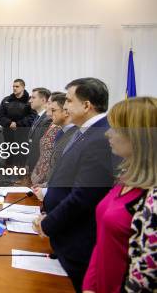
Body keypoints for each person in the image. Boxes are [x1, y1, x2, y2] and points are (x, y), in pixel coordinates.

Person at [33, 77, 119, 292]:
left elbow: (84, 196)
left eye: (69, 101)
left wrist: (48, 223)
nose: (66, 106)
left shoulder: (99, 136)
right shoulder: (85, 132)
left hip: (78, 242)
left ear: (87, 105)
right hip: (65, 235)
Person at [82, 97, 156, 293]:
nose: (108, 133)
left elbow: (146, 277)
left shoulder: (152, 198)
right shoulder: (125, 179)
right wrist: (90, 286)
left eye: (115, 128)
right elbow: (104, 240)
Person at [31, 92, 77, 190]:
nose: (49, 114)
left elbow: (65, 172)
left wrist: (46, 186)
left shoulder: (74, 135)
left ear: (66, 111)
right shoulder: (61, 131)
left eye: (53, 110)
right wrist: (45, 186)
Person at [0, 78, 36, 166]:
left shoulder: (30, 101)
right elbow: (0, 115)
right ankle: (8, 176)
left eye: (17, 86)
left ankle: (21, 177)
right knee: (9, 157)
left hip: (23, 135)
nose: (14, 88)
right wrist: (9, 123)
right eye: (13, 86)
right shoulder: (6, 100)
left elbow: (32, 117)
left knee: (22, 158)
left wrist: (17, 124)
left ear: (23, 87)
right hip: (8, 135)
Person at [27, 87, 53, 171]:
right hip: (32, 165)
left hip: (38, 168)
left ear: (43, 100)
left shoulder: (48, 119)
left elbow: (41, 147)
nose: (30, 100)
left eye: (33, 98)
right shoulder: (37, 117)